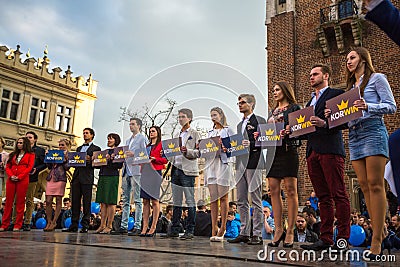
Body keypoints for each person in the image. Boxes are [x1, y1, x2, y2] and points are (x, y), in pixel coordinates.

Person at [343, 47, 396, 257]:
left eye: (352, 57)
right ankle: (381, 229)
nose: (349, 61)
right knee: (364, 186)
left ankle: (376, 238)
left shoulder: (377, 78)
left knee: (375, 185)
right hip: (355, 135)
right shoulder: (350, 86)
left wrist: (368, 106)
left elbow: (391, 106)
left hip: (373, 130)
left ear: (363, 59)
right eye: (347, 58)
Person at [299, 64, 351, 252]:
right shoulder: (309, 102)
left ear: (326, 75)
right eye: (310, 74)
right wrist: (292, 132)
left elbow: (346, 120)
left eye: (315, 74)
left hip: (330, 149)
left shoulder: (336, 94)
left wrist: (325, 123)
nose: (311, 77)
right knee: (323, 197)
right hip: (312, 151)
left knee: (339, 194)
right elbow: (306, 129)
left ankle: (343, 239)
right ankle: (326, 238)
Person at [258, 81, 301, 248]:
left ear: (285, 91)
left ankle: (290, 230)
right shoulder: (272, 111)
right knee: (273, 191)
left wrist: (291, 130)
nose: (274, 92)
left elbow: (301, 129)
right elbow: (268, 133)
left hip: (288, 151)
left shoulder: (295, 108)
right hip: (272, 154)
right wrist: (259, 134)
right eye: (273, 90)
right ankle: (278, 230)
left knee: (291, 190)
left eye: (277, 89)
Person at [228, 94, 266, 245]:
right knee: (241, 199)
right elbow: (238, 144)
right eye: (238, 103)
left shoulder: (260, 121)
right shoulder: (239, 125)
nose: (240, 105)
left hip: (254, 162)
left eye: (243, 102)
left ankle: (257, 233)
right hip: (240, 164)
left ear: (251, 104)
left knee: (255, 199)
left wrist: (250, 143)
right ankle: (244, 232)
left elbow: (266, 140)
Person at [168, 108, 201, 240]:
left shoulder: (195, 133)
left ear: (189, 118)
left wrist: (187, 151)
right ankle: (175, 228)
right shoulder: (177, 134)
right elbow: (172, 152)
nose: (180, 119)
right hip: (176, 169)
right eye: (179, 117)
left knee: (189, 200)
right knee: (176, 201)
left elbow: (199, 152)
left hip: (187, 170)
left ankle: (190, 229)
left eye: (183, 117)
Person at [113, 118, 147, 236]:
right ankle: (123, 225)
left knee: (137, 200)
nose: (130, 126)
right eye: (130, 124)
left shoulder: (142, 138)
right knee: (125, 200)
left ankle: (137, 226)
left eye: (133, 124)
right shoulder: (128, 140)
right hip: (126, 170)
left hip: (136, 171)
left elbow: (145, 153)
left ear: (139, 126)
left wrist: (135, 154)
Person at [205, 107, 234, 242]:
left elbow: (236, 147)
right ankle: (214, 227)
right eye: (211, 115)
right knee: (213, 198)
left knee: (223, 197)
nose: (213, 117)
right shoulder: (210, 132)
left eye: (215, 114)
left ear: (221, 115)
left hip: (223, 164)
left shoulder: (228, 130)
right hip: (211, 165)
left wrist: (226, 148)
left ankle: (223, 227)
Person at [63, 128, 101, 233]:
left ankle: (85, 225)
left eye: (87, 133)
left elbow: (97, 163)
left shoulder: (96, 148)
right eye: (83, 133)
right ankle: (74, 224)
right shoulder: (79, 148)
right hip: (76, 176)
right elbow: (75, 161)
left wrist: (90, 160)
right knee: (75, 201)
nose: (84, 135)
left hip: (87, 177)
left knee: (86, 202)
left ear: (92, 135)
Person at [0, 137, 35, 231]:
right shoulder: (12, 154)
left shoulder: (31, 155)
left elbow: (29, 167)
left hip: (22, 179)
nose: (19, 144)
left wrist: (19, 176)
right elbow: (8, 166)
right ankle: (4, 224)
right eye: (18, 143)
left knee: (20, 202)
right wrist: (11, 175)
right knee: (8, 202)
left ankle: (18, 224)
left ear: (25, 144)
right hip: (11, 179)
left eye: (21, 143)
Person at [140, 126, 167, 237]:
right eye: (150, 131)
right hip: (145, 172)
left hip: (155, 172)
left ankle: (153, 226)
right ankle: (145, 226)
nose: (151, 133)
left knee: (154, 201)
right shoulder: (146, 146)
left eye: (153, 131)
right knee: (145, 201)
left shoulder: (162, 145)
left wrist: (155, 159)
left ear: (158, 133)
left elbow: (165, 159)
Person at [95, 133, 123, 234]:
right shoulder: (104, 151)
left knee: (111, 201)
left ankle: (109, 225)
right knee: (102, 202)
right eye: (108, 138)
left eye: (111, 139)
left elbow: (119, 165)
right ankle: (102, 225)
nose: (109, 140)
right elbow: (97, 164)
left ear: (115, 140)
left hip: (112, 176)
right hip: (103, 175)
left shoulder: (119, 151)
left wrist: (111, 159)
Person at [43, 139, 71, 231]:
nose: (60, 147)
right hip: (51, 178)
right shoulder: (55, 153)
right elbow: (49, 166)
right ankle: (49, 221)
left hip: (60, 178)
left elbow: (67, 168)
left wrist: (65, 160)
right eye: (59, 145)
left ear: (67, 146)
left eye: (62, 145)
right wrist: (47, 157)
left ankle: (54, 221)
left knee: (59, 199)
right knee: (48, 200)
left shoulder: (68, 155)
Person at [23, 131, 46, 231]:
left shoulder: (40, 151)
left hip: (32, 177)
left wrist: (37, 169)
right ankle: (15, 221)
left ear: (35, 139)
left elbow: (44, 163)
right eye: (26, 137)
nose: (28, 139)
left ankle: (27, 222)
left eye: (30, 137)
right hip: (20, 177)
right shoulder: (21, 149)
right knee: (17, 200)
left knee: (29, 200)